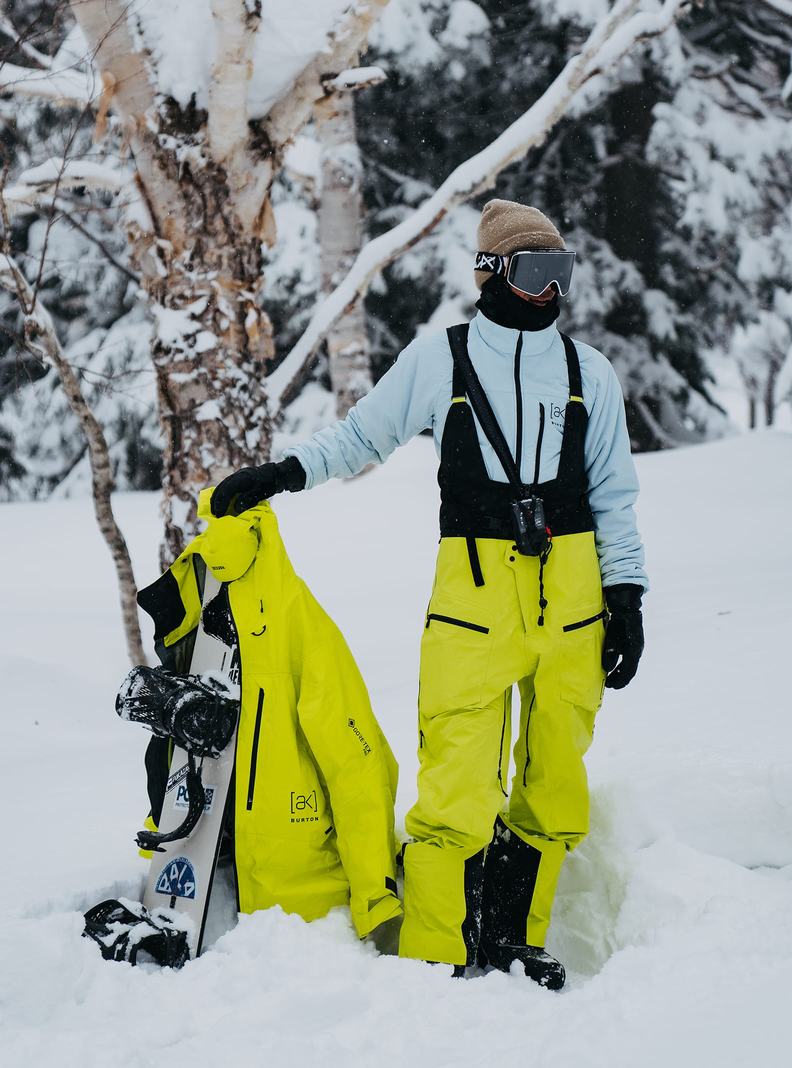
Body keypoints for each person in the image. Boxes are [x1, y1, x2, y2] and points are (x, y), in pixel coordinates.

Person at [212, 199, 648, 988]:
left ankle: (518, 939)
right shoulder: (440, 359)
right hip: (472, 609)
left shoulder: (591, 374)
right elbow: (360, 436)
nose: (548, 291)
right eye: (531, 270)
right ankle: (437, 959)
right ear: (490, 273)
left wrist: (627, 598)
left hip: (575, 604)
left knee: (554, 785)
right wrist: (284, 473)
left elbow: (615, 498)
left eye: (560, 271)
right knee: (455, 787)